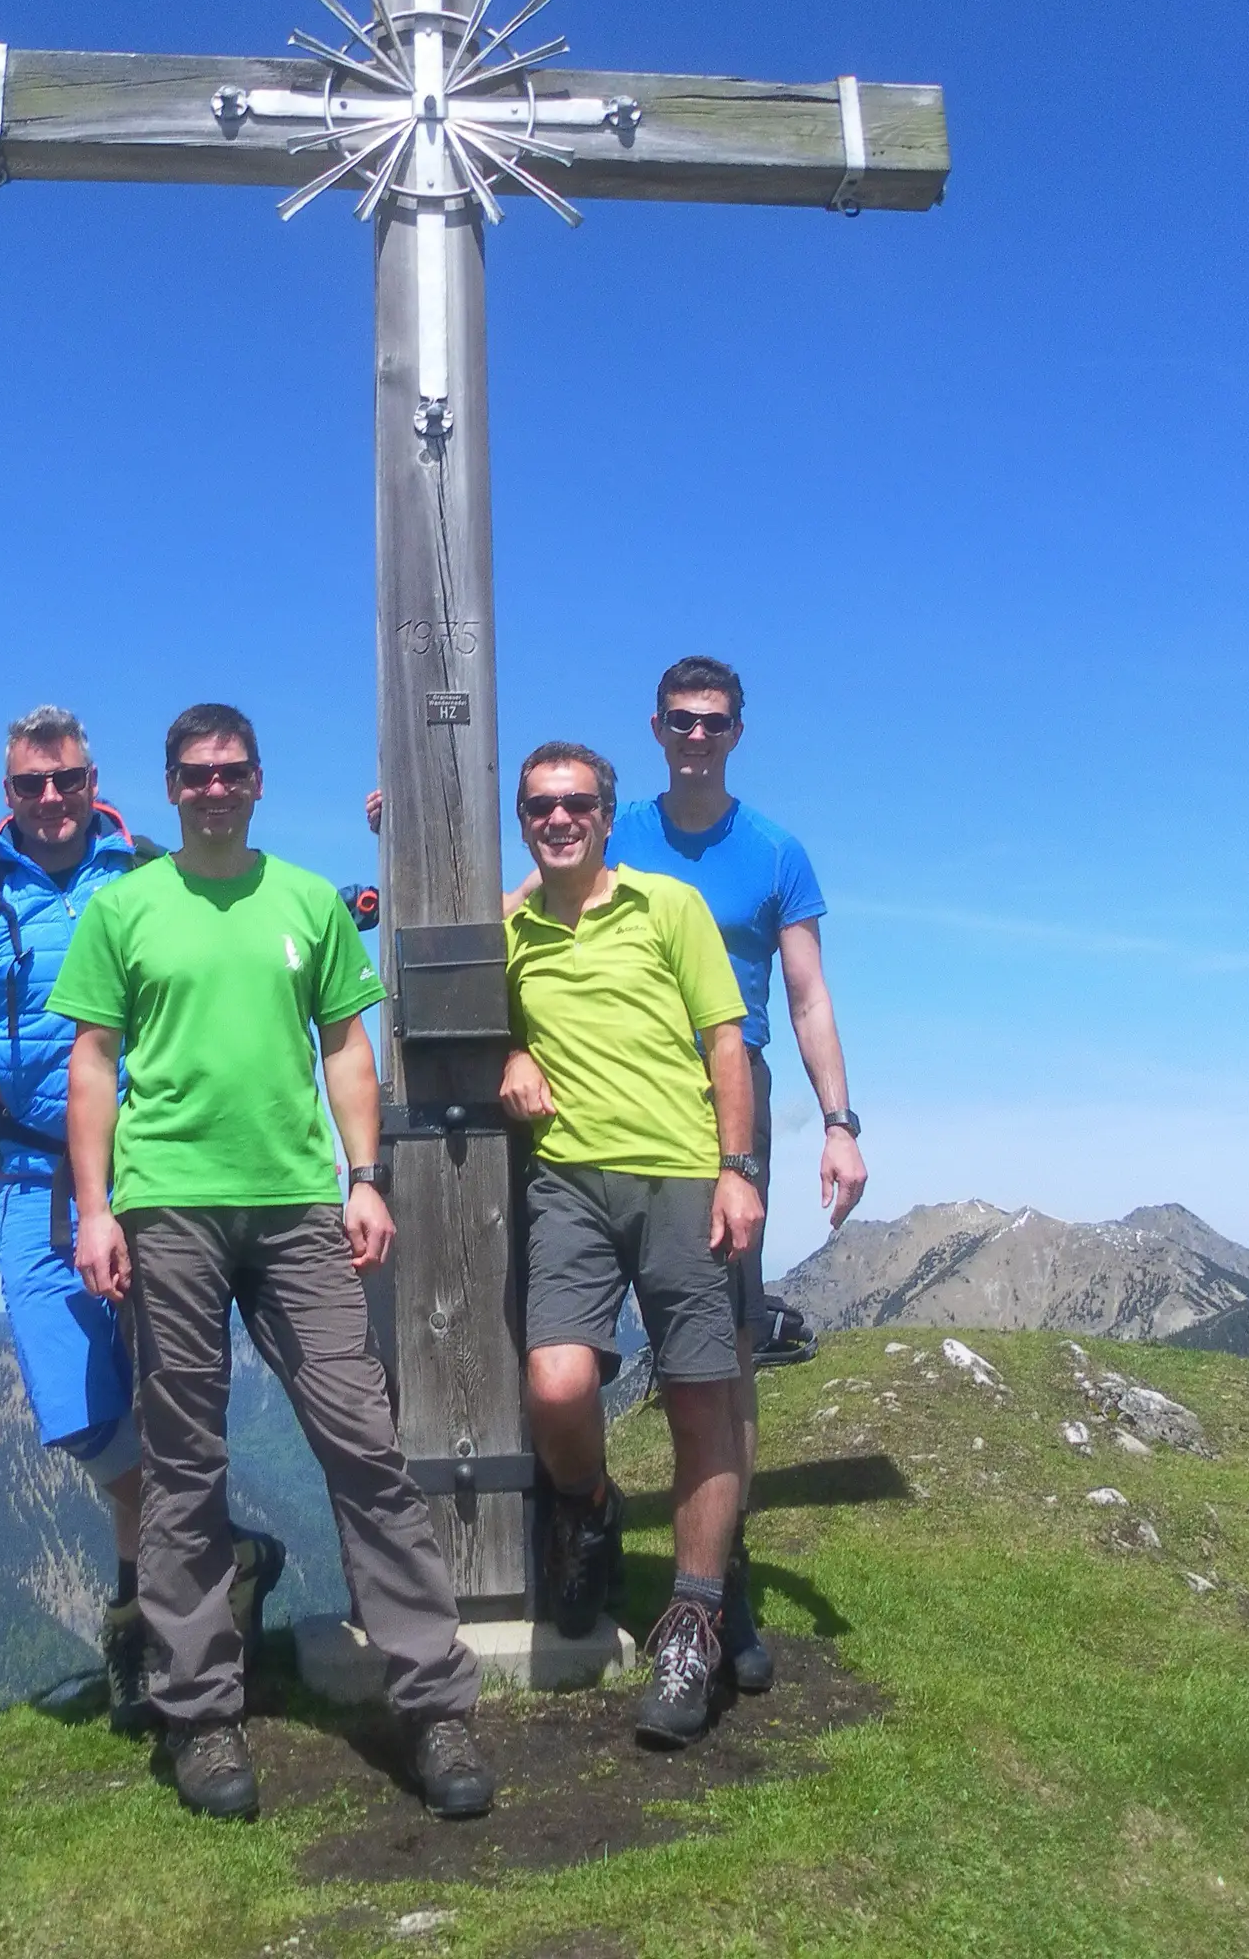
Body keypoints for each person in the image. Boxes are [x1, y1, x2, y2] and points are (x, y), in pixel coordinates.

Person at [55, 702, 494, 1824]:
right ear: (170, 786)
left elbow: (347, 1046)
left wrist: (365, 1177)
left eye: (232, 771)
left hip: (299, 1205)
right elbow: (93, 1063)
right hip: (167, 1206)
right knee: (183, 1463)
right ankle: (201, 1715)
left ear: (259, 782)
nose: (215, 788)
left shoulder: (306, 901)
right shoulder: (124, 908)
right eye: (196, 774)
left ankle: (434, 1702)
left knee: (363, 1441)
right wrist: (95, 1210)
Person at [0, 705, 282, 1731]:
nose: (50, 799)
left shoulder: (151, 873)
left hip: (154, 1170)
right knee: (81, 1409)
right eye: (31, 784)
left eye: (66, 781)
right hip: (29, 1178)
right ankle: (221, 1558)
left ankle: (147, 1624)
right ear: (7, 794)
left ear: (94, 782)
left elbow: (255, 929)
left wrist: (374, 881)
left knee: (170, 1397)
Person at [607, 655, 866, 1689]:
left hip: (728, 1096)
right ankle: (589, 1532)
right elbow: (520, 906)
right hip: (614, 1083)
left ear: (738, 732)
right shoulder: (614, 829)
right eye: (681, 720)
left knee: (729, 1344)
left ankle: (723, 1576)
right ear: (656, 728)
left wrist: (839, 1123)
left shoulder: (775, 851)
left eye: (713, 722)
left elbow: (807, 995)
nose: (696, 737)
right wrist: (403, 845)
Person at [500, 741, 763, 1748]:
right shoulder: (513, 930)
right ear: (524, 821)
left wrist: (737, 1169)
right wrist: (512, 1050)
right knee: (558, 1382)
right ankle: (591, 1506)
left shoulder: (669, 907)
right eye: (539, 806)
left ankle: (692, 1624)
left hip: (682, 1176)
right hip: (568, 1180)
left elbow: (725, 1040)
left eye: (576, 803)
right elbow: (444, 999)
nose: (558, 819)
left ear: (608, 816)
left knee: (701, 1396)